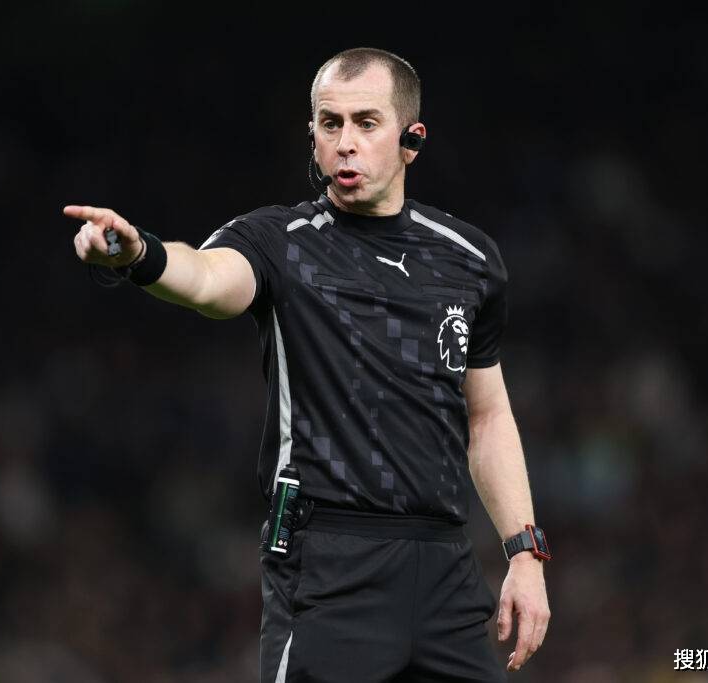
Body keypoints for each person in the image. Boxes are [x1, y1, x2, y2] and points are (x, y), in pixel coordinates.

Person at [66, 47, 551, 682]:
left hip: (444, 567)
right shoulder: (278, 243)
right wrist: (140, 255)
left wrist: (524, 554)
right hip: (328, 565)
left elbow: (487, 417)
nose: (345, 142)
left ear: (411, 139)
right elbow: (207, 280)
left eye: (366, 123)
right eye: (330, 123)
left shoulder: (469, 259)